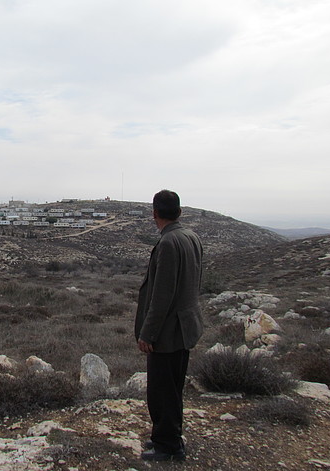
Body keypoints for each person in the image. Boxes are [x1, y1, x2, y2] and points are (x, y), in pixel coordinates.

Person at [134, 189, 204, 462]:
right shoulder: (191, 237)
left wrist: (147, 333)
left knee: (162, 391)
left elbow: (161, 296)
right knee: (173, 388)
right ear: (179, 212)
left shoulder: (168, 243)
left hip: (168, 332)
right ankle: (169, 437)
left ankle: (168, 446)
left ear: (154, 213)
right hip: (185, 327)